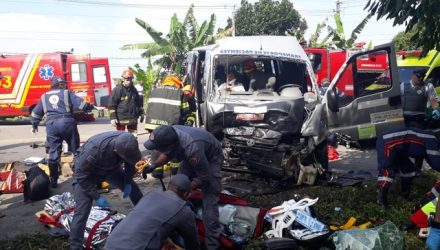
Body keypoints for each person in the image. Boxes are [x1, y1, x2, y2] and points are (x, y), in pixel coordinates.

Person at [142, 125, 223, 250]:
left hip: (211, 157)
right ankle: (179, 223)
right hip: (192, 154)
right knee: (175, 187)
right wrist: (154, 164)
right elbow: (167, 153)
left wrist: (185, 189)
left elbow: (204, 177)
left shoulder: (192, 148)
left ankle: (212, 244)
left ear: (170, 145)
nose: (156, 151)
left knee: (210, 199)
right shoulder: (168, 133)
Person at [69, 131, 143, 250]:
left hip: (111, 170)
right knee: (82, 210)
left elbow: (130, 163)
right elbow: (81, 177)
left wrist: (128, 182)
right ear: (115, 151)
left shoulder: (127, 142)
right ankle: (75, 246)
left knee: (135, 190)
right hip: (87, 175)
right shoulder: (93, 151)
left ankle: (145, 217)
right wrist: (96, 196)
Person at [104, 174, 200, 250]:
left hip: (111, 242)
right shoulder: (184, 210)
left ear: (169, 186)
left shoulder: (152, 194)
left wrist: (165, 239)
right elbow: (192, 241)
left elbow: (151, 221)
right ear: (186, 194)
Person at [30, 76, 93, 188]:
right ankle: (78, 177)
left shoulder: (44, 96)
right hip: (67, 123)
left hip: (52, 125)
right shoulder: (67, 93)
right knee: (76, 150)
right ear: (58, 85)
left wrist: (34, 125)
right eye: (62, 83)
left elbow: (36, 113)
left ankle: (53, 180)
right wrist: (89, 107)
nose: (64, 85)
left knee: (53, 153)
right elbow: (82, 104)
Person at [376, 127, 440, 208]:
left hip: (399, 148)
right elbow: (436, 163)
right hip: (387, 142)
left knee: (408, 170)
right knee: (386, 172)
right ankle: (381, 202)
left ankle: (404, 196)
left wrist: (417, 170)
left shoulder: (425, 136)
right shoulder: (431, 139)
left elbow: (422, 156)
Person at [400, 69, 440, 174]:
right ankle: (404, 168)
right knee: (402, 145)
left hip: (419, 119)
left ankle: (417, 169)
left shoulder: (427, 86)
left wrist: (436, 110)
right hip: (405, 119)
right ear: (412, 75)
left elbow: (434, 101)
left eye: (422, 77)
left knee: (419, 144)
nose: (420, 79)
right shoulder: (403, 86)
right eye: (418, 77)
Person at [108, 69, 143, 136]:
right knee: (120, 138)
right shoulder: (117, 90)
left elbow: (138, 103)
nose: (129, 81)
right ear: (123, 79)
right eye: (127, 79)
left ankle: (132, 146)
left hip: (132, 119)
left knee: (133, 138)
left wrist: (141, 113)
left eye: (130, 79)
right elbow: (112, 105)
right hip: (121, 119)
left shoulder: (134, 90)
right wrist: (113, 117)